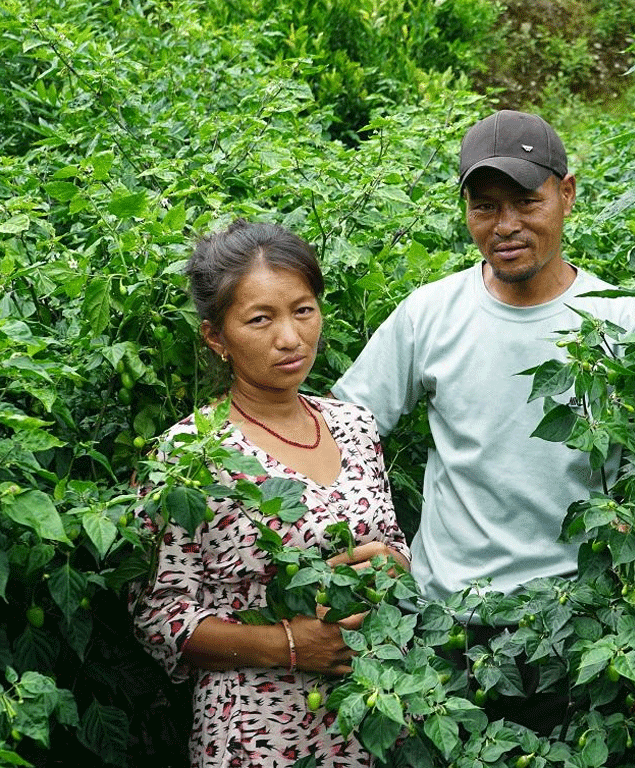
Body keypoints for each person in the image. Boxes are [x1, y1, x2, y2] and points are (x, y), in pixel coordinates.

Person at [332, 109, 635, 612]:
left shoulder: (625, 322)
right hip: (446, 619)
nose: (506, 227)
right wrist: (382, 541)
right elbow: (341, 430)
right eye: (484, 207)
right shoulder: (429, 314)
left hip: (580, 619)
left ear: (566, 194)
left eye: (527, 202)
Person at [131, 220, 410, 768]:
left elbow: (392, 542)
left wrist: (392, 562)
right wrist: (288, 644)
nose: (290, 337)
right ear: (216, 337)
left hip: (379, 711)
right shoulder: (190, 457)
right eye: (261, 319)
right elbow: (158, 614)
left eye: (303, 310)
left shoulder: (354, 426)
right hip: (258, 733)